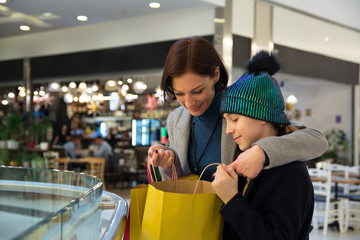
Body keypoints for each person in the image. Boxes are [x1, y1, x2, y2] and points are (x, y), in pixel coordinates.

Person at [148, 36, 328, 181]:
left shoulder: (240, 105)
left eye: (197, 91)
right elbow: (180, 183)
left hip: (239, 220)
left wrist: (262, 151)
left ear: (216, 75)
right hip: (196, 221)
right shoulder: (176, 119)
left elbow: (316, 141)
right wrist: (168, 164)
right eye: (179, 94)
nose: (189, 103)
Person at [212, 50, 314, 239]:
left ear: (261, 117)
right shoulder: (243, 155)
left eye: (234, 119)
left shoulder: (290, 171)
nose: (228, 130)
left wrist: (231, 199)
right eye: (226, 121)